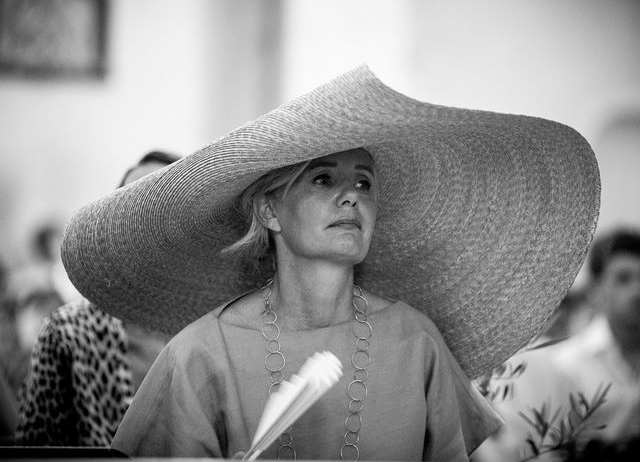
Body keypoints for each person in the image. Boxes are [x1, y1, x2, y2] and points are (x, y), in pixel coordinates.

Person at [60, 66, 599, 461]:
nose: (352, 197)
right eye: (323, 178)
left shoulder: (417, 342)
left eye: (364, 181)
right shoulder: (200, 355)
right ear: (270, 209)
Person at [14, 150, 181, 447]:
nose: (143, 223)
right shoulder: (70, 334)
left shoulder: (212, 336)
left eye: (160, 206)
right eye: (130, 206)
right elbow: (34, 450)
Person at [472, 228, 640, 462]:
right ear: (596, 289)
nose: (636, 291)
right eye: (623, 278)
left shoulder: (546, 361)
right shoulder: (564, 363)